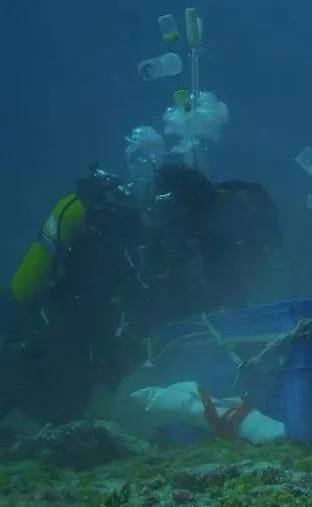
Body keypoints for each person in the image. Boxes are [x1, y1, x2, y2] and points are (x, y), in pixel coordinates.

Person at [0, 163, 281, 424]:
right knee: (63, 398)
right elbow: (24, 292)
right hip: (67, 317)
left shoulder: (188, 242)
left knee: (74, 395)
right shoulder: (105, 221)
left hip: (101, 319)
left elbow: (178, 311)